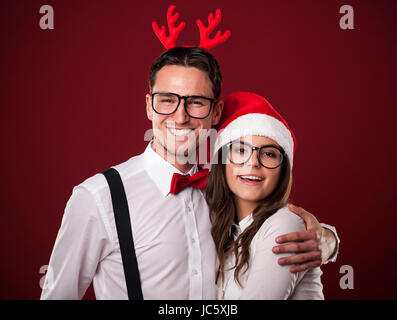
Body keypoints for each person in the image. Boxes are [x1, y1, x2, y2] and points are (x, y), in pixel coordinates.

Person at [40, 47, 338, 300]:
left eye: (196, 102)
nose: (180, 116)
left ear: (216, 112)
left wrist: (326, 240)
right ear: (149, 106)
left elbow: (266, 229)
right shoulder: (98, 197)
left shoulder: (228, 188)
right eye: (168, 100)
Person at [206, 91, 324, 299]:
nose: (253, 162)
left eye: (269, 154)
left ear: (282, 170)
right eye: (241, 151)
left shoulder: (285, 225)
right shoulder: (219, 226)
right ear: (222, 162)